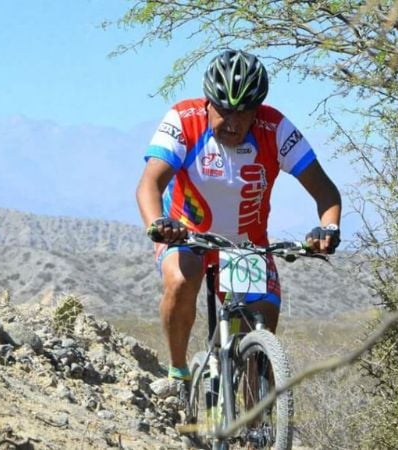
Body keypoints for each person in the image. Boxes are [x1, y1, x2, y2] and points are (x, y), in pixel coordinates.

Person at [136, 49, 342, 387]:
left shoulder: (275, 128)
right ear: (208, 102)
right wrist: (158, 223)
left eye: (244, 112)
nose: (233, 123)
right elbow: (149, 184)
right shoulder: (183, 119)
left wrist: (329, 227)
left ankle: (253, 427)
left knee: (258, 335)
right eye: (225, 110)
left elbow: (327, 193)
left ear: (257, 109)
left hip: (247, 245)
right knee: (181, 280)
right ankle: (177, 374)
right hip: (186, 235)